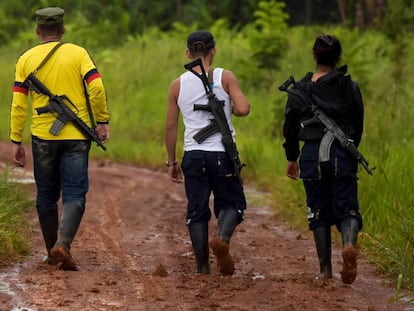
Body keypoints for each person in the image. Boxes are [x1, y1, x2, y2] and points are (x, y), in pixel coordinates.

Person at [10, 7, 110, 271]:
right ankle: (63, 245)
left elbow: (19, 104)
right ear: (63, 29)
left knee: (46, 195)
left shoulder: (25, 59)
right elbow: (97, 87)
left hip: (43, 138)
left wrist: (16, 139)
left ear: (37, 30)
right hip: (77, 137)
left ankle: (53, 250)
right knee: (75, 193)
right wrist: (102, 120)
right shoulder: (78, 53)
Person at [165, 30, 250, 276]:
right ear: (214, 50)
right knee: (232, 203)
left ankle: (203, 268)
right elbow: (243, 109)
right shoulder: (225, 77)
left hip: (193, 155)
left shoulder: (177, 84)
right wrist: (230, 107)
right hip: (222, 154)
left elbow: (171, 126)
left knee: (197, 210)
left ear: (187, 53)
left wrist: (172, 161)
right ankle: (222, 238)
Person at [282, 34, 364, 284]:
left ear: (314, 56)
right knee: (347, 207)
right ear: (338, 57)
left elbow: (290, 127)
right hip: (342, 154)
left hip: (310, 155)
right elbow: (358, 125)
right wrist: (350, 150)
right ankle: (348, 244)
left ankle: (325, 270)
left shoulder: (299, 90)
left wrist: (292, 157)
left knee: (317, 210)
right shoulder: (350, 86)